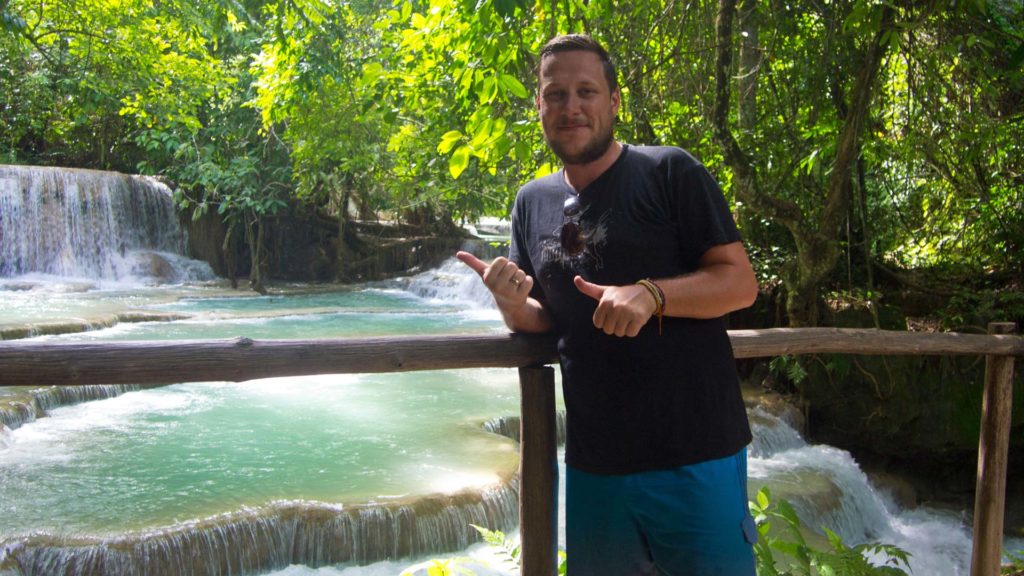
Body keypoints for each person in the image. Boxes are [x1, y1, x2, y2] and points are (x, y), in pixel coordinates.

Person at [457, 33, 760, 575]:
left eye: (585, 91)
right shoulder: (532, 202)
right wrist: (509, 302)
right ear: (539, 106)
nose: (570, 107)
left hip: (696, 456)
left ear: (614, 101)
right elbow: (546, 319)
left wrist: (652, 294)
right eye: (555, 94)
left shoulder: (670, 172)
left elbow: (740, 283)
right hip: (597, 467)